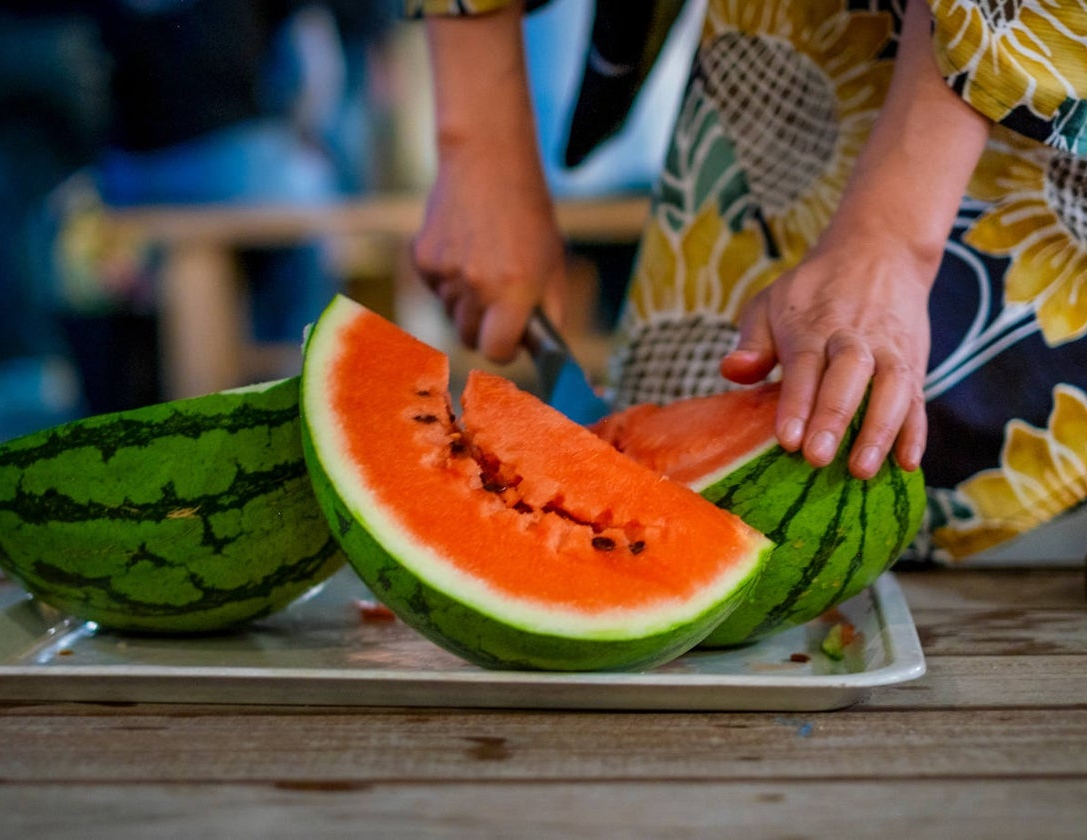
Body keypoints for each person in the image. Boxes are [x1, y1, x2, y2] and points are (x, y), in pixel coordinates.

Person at [407, 0, 1087, 563]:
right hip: (770, 105)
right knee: (651, 527)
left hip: (1026, 161)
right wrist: (479, 146)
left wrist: (893, 235)